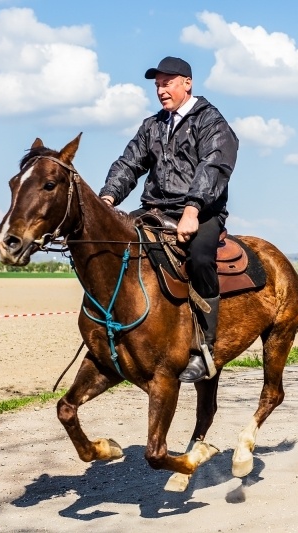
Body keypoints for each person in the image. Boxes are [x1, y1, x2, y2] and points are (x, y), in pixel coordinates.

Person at [99, 56, 240, 383]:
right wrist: (107, 197)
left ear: (187, 83)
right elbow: (129, 163)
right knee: (116, 247)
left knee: (202, 259)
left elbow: (215, 165)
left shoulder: (211, 122)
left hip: (202, 212)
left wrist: (193, 208)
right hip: (154, 209)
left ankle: (204, 349)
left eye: (167, 83)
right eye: (157, 84)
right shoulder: (152, 125)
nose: (161, 90)